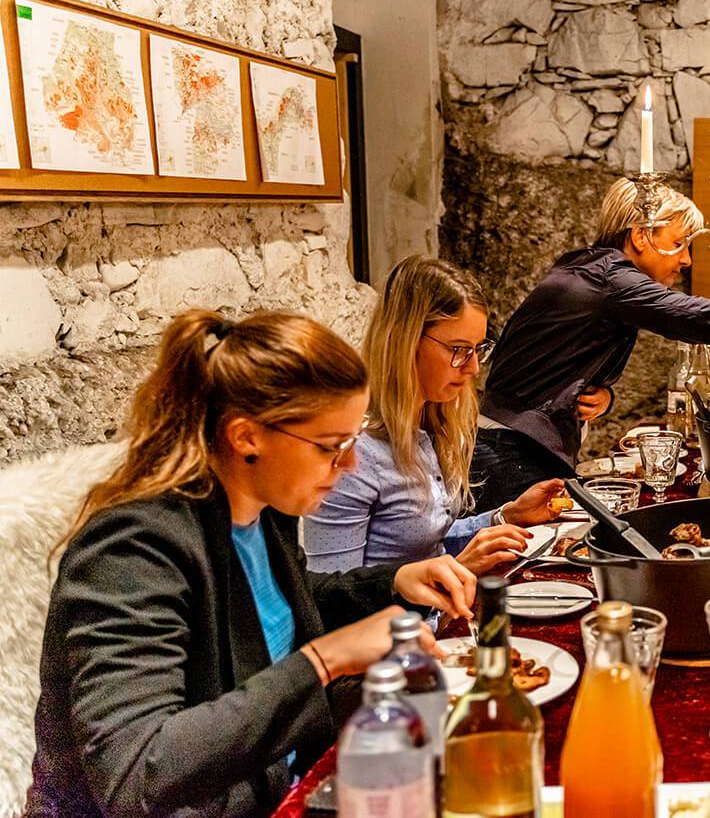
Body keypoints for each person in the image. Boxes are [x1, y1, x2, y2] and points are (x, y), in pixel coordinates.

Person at [27, 310, 477, 817]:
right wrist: (325, 660)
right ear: (246, 437)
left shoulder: (264, 509)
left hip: (278, 788)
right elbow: (135, 775)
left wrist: (393, 582)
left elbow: (267, 614)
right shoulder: (132, 548)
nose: (348, 466)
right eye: (332, 447)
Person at [470, 177, 710, 509]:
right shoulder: (610, 279)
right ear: (641, 236)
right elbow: (702, 318)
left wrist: (602, 396)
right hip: (511, 451)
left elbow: (556, 362)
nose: (686, 260)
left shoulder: (589, 270)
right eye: (678, 244)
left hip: (514, 442)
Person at [304, 256, 563, 575]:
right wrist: (458, 569)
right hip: (403, 625)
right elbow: (331, 600)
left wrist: (504, 517)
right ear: (406, 341)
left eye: (477, 349)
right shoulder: (353, 456)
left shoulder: (425, 425)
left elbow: (427, 543)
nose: (473, 368)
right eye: (458, 350)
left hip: (442, 618)